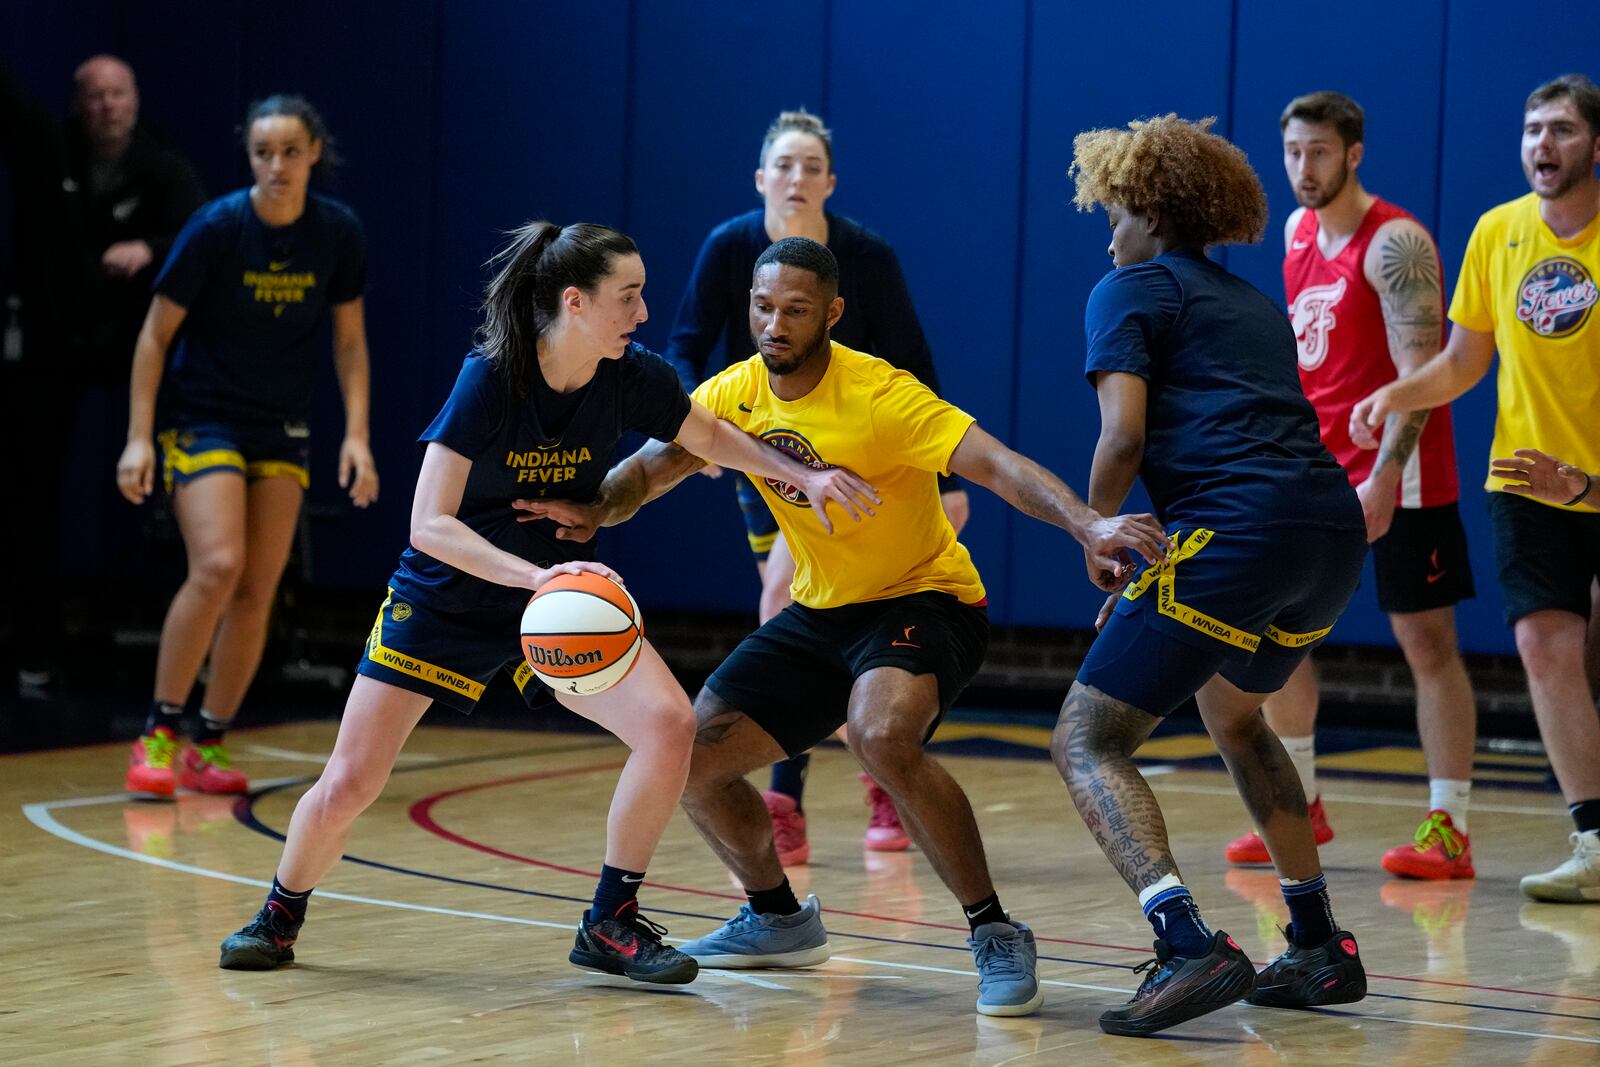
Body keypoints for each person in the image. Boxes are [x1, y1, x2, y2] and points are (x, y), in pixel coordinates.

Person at [216, 221, 879, 983]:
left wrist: (806, 477)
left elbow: (715, 438)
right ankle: (278, 914)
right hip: (450, 598)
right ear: (576, 301)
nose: (641, 312)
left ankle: (610, 920)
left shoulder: (633, 374)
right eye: (627, 296)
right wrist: (536, 577)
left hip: (559, 606)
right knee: (352, 781)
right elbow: (428, 525)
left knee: (669, 726)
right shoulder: (491, 377)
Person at [522, 237, 1168, 1016]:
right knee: (689, 759)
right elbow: (653, 469)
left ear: (830, 313)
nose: (774, 324)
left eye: (795, 310)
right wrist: (593, 508)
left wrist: (1088, 525)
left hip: (926, 600)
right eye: (763, 307)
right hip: (821, 612)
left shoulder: (881, 395)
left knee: (881, 734)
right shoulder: (736, 392)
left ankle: (994, 928)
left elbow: (998, 465)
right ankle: (776, 916)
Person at [1054, 115, 1370, 1037]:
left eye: (1113, 208)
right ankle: (1317, 943)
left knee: (1086, 738)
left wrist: (1097, 534)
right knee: (1236, 717)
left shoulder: (1127, 288)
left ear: (1150, 208)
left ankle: (1185, 941)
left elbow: (1123, 437)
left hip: (1235, 530)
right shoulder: (1252, 303)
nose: (1107, 227)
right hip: (1328, 531)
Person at [665, 109, 970, 863]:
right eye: (784, 165)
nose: (796, 178)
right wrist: (689, 431)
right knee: (794, 607)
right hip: (770, 456)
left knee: (789, 604)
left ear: (830, 182)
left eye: (811, 167)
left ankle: (837, 778)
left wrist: (944, 474)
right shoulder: (729, 246)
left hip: (866, 464)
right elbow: (680, 348)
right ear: (761, 178)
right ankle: (830, 781)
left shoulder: (867, 255)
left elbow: (917, 361)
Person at [1353, 73, 1600, 904]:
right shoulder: (1498, 233)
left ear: (1596, 146)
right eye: (1533, 130)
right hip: (1528, 480)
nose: (1543, 145)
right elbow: (1463, 361)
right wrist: (1398, 392)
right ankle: (1594, 839)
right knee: (1544, 644)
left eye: (1562, 130)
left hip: (1593, 478)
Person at [1223, 91, 1480, 880]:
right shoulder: (1298, 231)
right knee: (1283, 630)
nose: (1304, 167)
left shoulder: (1396, 243)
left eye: (1320, 153)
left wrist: (1384, 476)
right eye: (1294, 152)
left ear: (1354, 153)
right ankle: (1301, 794)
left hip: (1399, 476)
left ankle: (1450, 824)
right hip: (1314, 468)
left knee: (1425, 642)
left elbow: (1421, 379)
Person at [114, 95, 376, 798]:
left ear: (313, 153)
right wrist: (139, 439)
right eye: (264, 153)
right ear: (249, 156)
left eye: (291, 152)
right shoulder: (216, 227)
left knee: (259, 587)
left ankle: (208, 739)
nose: (277, 166)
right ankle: (159, 730)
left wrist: (357, 434)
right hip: (205, 417)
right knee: (218, 565)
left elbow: (348, 342)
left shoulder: (336, 232)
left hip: (281, 425)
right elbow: (153, 336)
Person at [0, 55, 203, 694]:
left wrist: (151, 247)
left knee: (191, 469)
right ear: (77, 104)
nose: (106, 106)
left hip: (136, 343)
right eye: (93, 96)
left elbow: (202, 235)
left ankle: (193, 653)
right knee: (32, 492)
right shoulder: (48, 153)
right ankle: (35, 646)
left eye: (118, 94)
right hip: (53, 341)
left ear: (136, 100)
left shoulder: (163, 169)